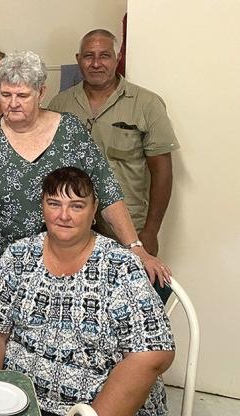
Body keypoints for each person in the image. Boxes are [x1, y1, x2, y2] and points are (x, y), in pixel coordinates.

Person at [0, 51, 171, 307]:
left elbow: (107, 190)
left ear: (41, 93)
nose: (13, 103)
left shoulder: (70, 131)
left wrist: (135, 246)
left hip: (71, 268)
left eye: (23, 95)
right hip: (5, 273)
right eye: (6, 95)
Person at [0, 167, 175, 416]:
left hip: (97, 408)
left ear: (94, 210)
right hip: (22, 402)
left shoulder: (120, 265)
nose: (64, 215)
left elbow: (154, 353)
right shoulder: (19, 255)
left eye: (77, 206)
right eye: (54, 203)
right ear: (42, 207)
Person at [48, 29, 180, 302]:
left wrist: (150, 232)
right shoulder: (60, 104)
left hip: (129, 229)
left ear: (118, 58)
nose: (96, 63)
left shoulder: (146, 104)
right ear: (78, 59)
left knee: (129, 305)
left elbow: (162, 173)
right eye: (88, 56)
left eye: (104, 56)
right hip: (73, 229)